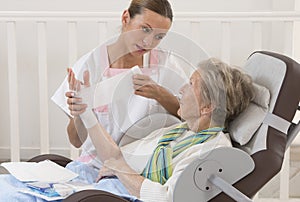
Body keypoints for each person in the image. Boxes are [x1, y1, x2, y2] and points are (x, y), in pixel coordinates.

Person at [0, 58, 254, 201]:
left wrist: (119, 168)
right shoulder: (179, 133)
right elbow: (115, 158)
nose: (181, 90)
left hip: (107, 196)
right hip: (94, 182)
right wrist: (86, 111)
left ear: (208, 106)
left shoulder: (211, 150)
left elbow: (164, 198)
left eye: (191, 84)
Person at [51, 0, 190, 170]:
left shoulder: (166, 64)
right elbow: (76, 141)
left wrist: (159, 94)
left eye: (158, 37)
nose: (148, 42)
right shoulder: (88, 67)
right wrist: (81, 112)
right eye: (145, 29)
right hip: (97, 166)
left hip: (143, 167)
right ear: (126, 18)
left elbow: (190, 118)